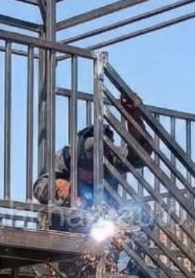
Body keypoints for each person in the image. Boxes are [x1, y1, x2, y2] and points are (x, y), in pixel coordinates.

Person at [32, 92, 149, 232]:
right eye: (87, 170)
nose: (91, 176)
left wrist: (134, 117)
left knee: (140, 214)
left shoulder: (111, 158)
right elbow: (39, 187)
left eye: (96, 171)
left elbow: (140, 155)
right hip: (66, 225)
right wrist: (58, 186)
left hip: (103, 223)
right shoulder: (65, 157)